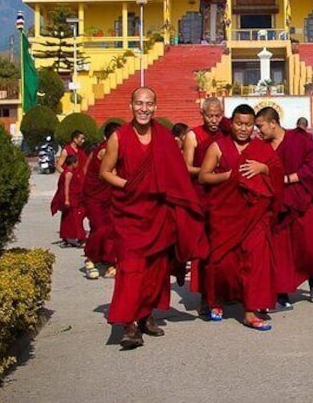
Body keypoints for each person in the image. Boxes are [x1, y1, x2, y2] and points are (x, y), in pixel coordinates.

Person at [100, 87, 205, 349]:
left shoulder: (166, 139)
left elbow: (177, 175)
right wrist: (129, 186)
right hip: (130, 214)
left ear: (155, 107)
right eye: (139, 103)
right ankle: (129, 324)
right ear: (131, 105)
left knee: (155, 270)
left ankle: (146, 314)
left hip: (158, 214)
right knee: (131, 269)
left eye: (148, 104)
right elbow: (105, 171)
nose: (143, 108)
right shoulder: (119, 137)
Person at [199, 104, 284, 331]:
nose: (243, 129)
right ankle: (216, 300)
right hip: (226, 215)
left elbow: (277, 174)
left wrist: (263, 169)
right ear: (232, 122)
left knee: (255, 262)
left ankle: (250, 311)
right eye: (239, 123)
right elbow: (204, 177)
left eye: (248, 124)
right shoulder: (218, 147)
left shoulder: (262, 149)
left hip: (255, 217)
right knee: (224, 263)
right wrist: (229, 175)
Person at [256, 107, 313, 308]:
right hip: (278, 205)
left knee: (310, 246)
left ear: (273, 123)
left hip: (303, 201)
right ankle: (282, 291)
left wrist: (286, 179)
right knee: (281, 250)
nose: (258, 130)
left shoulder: (299, 140)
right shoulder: (262, 146)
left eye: (260, 126)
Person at [183, 97, 229, 313]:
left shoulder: (227, 132)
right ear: (202, 115)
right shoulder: (193, 135)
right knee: (205, 249)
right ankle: (205, 295)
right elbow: (186, 167)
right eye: (209, 115)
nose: (214, 120)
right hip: (201, 196)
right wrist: (210, 171)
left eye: (217, 115)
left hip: (224, 195)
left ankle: (225, 291)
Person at [82, 121, 121, 280]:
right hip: (95, 197)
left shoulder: (109, 149)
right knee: (100, 228)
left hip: (108, 195)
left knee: (112, 228)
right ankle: (90, 259)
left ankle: (109, 261)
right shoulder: (105, 150)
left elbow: (85, 167)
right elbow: (114, 173)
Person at [50, 154, 86, 248]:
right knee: (75, 219)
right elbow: (66, 186)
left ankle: (67, 238)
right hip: (71, 199)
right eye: (77, 162)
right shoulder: (68, 173)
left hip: (73, 198)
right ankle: (79, 238)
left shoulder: (67, 172)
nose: (78, 164)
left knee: (68, 219)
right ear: (73, 163)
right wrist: (66, 199)